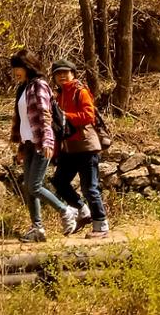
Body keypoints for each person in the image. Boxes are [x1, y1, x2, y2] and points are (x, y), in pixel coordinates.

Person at [9, 49, 80, 242]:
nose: (15, 72)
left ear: (28, 66)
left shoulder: (39, 85)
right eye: (14, 68)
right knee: (28, 187)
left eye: (18, 67)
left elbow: (44, 116)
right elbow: (23, 121)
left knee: (34, 185)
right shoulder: (23, 88)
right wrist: (21, 147)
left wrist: (48, 141)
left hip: (41, 142)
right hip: (28, 143)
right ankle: (37, 228)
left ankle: (66, 211)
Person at [50, 59, 110, 238]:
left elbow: (88, 115)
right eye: (58, 73)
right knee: (59, 182)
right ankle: (83, 210)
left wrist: (64, 116)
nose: (62, 76)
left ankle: (101, 226)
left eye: (65, 72)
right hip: (68, 149)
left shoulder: (80, 91)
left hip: (86, 146)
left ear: (73, 74)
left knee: (89, 188)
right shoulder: (58, 96)